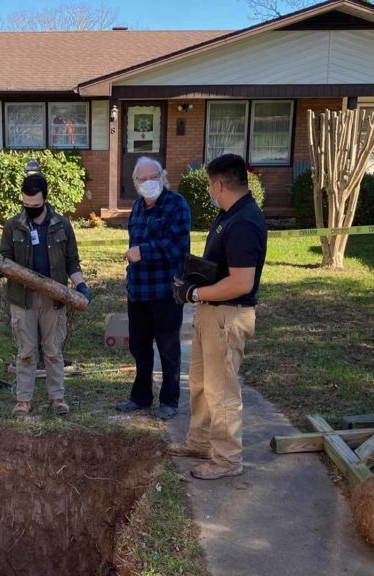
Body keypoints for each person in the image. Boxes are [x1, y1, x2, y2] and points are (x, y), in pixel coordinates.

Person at [169, 153, 267, 480]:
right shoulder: (231, 214)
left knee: (221, 390)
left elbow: (241, 282)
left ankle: (226, 460)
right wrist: (196, 279)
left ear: (218, 184)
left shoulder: (244, 223)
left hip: (227, 317)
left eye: (211, 185)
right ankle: (199, 442)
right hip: (211, 313)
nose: (210, 190)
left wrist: (195, 294)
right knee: (200, 382)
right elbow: (223, 269)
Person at [0, 173, 93, 418]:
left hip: (54, 298)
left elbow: (72, 262)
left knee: (53, 350)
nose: (31, 209)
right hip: (22, 299)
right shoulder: (13, 225)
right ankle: (23, 401)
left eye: (35, 205)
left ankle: (57, 398)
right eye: (26, 204)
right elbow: (6, 261)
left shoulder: (62, 225)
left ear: (45, 199)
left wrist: (81, 286)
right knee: (26, 351)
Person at [116, 157, 191, 421]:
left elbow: (178, 247)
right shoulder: (137, 207)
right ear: (135, 183)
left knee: (168, 349)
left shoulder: (176, 205)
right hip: (138, 291)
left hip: (165, 291)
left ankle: (169, 401)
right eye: (142, 179)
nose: (148, 183)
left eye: (153, 177)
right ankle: (141, 397)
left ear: (163, 177)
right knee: (140, 348)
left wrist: (143, 252)